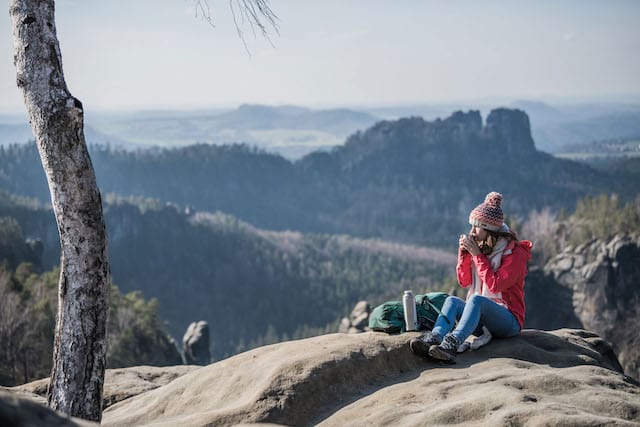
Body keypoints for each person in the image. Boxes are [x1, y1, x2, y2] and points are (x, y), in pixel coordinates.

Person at [410, 191, 532, 363]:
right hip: (483, 320)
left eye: (477, 226)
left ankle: (452, 345)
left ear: (489, 229)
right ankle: (435, 337)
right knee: (452, 301)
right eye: (472, 226)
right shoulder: (482, 247)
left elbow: (495, 285)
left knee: (476, 300)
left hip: (509, 321)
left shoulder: (514, 253)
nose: (472, 232)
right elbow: (464, 281)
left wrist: (477, 256)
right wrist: (464, 254)